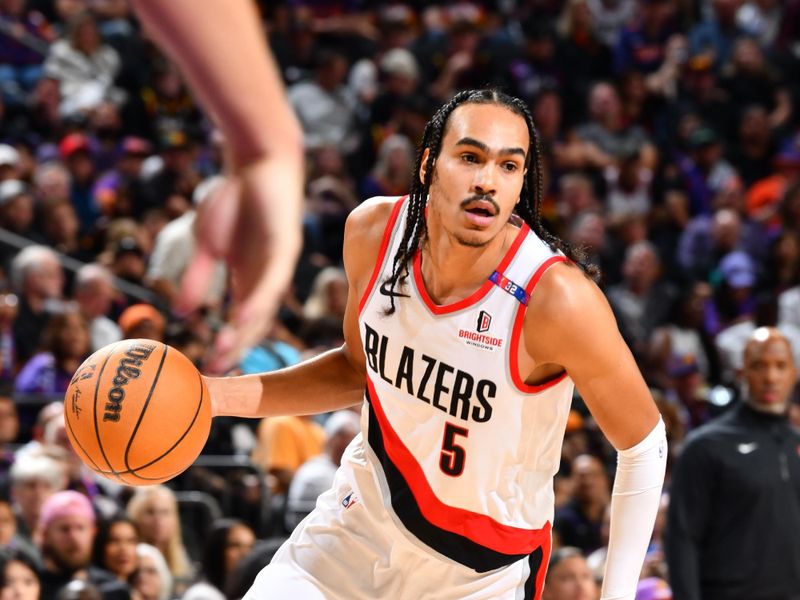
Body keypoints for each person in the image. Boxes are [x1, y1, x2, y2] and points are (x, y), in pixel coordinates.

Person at [204, 89, 666, 599]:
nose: (487, 181)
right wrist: (215, 398)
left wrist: (616, 593)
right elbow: (355, 371)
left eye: (509, 167)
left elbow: (644, 445)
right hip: (354, 530)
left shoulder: (554, 299)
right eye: (470, 158)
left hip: (476, 574)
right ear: (429, 164)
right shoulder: (374, 232)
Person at [130, 0, 304, 373]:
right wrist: (268, 145)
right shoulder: (178, 236)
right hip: (178, 318)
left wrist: (266, 146)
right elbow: (158, 279)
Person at [665, 326, 800, 599]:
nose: (771, 377)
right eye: (759, 366)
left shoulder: (794, 442)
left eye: (780, 366)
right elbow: (682, 538)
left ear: (794, 375)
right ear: (741, 373)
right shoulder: (705, 446)